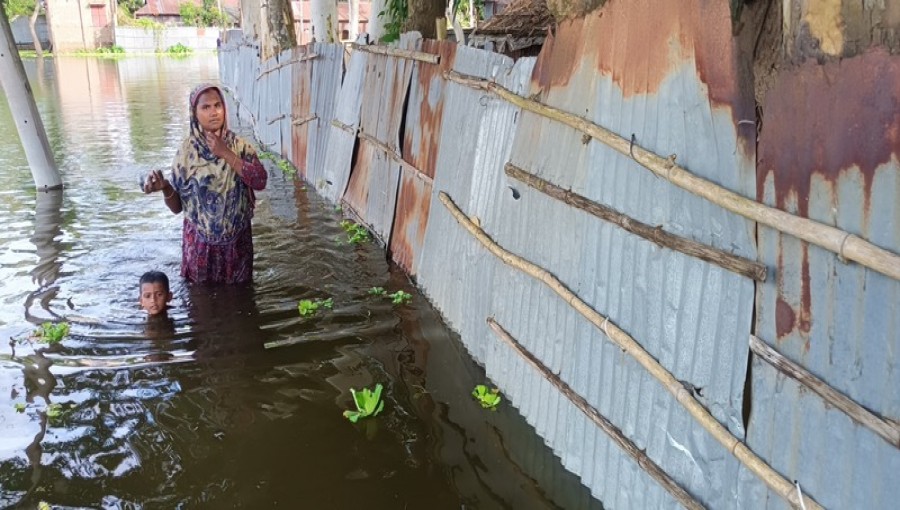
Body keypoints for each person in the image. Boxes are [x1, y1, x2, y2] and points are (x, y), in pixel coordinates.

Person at [142, 84, 267, 284]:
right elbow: (177, 209)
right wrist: (165, 187)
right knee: (201, 304)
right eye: (206, 107)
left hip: (237, 246)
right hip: (200, 248)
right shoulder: (186, 153)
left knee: (240, 301)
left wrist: (225, 153)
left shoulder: (240, 147)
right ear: (195, 112)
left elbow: (260, 180)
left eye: (218, 105)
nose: (214, 112)